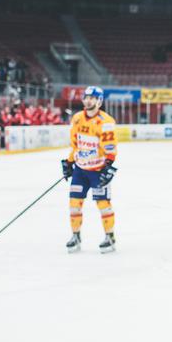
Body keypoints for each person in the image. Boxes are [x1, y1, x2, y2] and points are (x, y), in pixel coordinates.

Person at [61, 86, 118, 254]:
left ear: (99, 101)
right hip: (80, 171)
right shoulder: (77, 118)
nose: (88, 100)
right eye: (86, 97)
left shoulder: (106, 122)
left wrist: (108, 167)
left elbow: (111, 148)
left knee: (103, 205)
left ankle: (110, 237)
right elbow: (76, 145)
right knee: (74, 204)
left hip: (98, 171)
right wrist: (69, 162)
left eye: (92, 98)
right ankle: (76, 236)